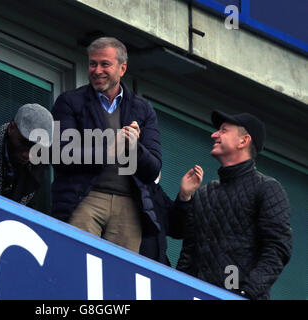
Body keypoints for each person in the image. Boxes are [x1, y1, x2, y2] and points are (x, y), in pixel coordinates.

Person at [51, 37, 162, 253]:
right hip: (85, 198)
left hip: (129, 205)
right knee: (77, 261)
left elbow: (153, 169)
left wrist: (134, 147)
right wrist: (108, 150)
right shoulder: (70, 101)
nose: (97, 70)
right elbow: (60, 154)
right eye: (93, 63)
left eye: (105, 64)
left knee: (119, 279)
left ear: (122, 68)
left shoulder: (144, 110)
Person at [174, 110, 292, 300]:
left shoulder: (267, 188)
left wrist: (245, 294)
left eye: (223, 130)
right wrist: (185, 198)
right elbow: (189, 252)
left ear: (243, 141)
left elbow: (277, 249)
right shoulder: (205, 193)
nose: (214, 134)